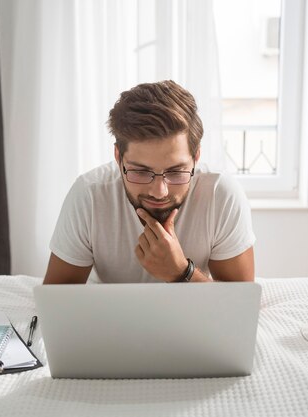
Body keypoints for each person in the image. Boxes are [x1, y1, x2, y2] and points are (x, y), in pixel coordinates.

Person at [43, 80, 255, 284]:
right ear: (118, 157)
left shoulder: (221, 194)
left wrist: (181, 272)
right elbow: (56, 300)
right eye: (141, 172)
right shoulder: (89, 194)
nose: (159, 192)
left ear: (196, 157)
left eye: (176, 172)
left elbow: (240, 304)